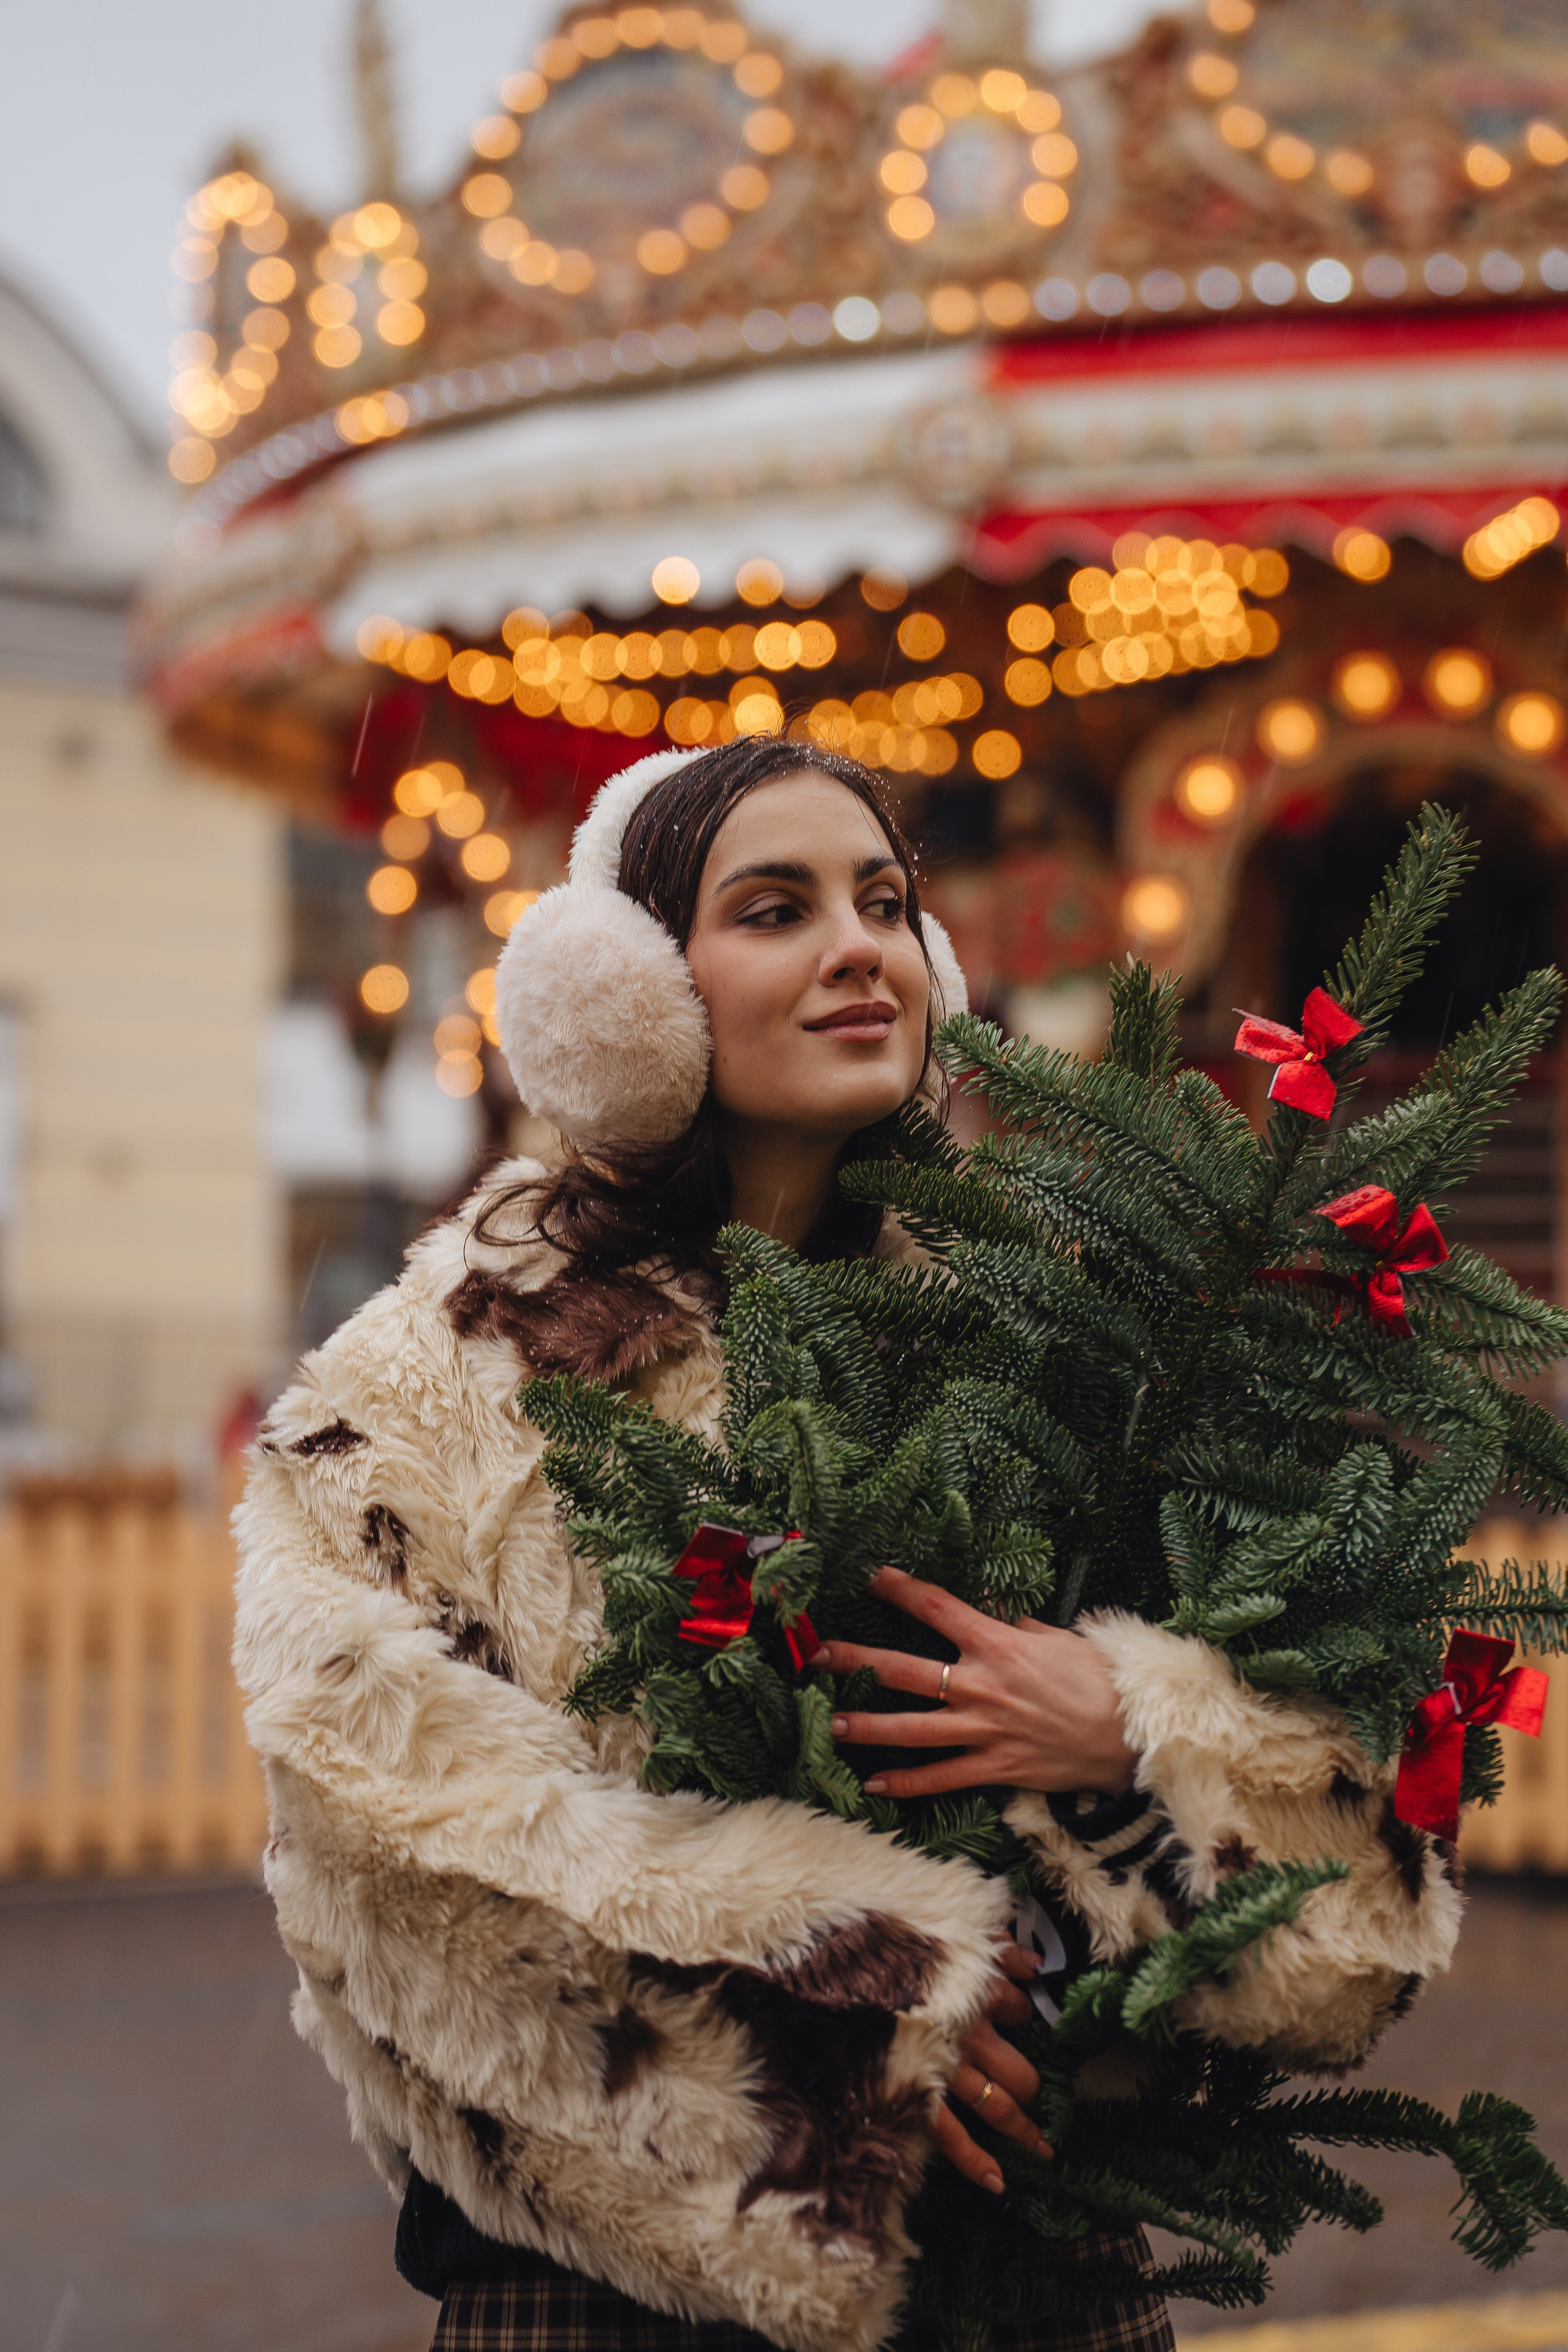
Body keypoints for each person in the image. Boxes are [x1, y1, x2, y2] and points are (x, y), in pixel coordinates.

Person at [234, 737, 1463, 2352]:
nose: (859, 946)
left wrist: (1133, 1734)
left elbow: (1354, 1840)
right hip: (606, 2299)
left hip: (1034, 2286)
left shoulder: (1056, 1334)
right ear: (630, 995)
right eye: (776, 907)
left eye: (885, 901)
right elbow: (384, 1844)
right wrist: (856, 2033)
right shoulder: (429, 1380)